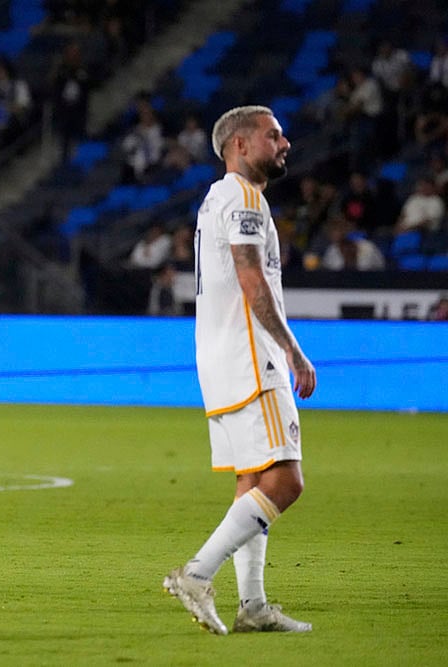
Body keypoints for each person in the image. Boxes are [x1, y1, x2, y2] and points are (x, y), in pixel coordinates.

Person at [164, 105, 317, 635]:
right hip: (253, 357)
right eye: (273, 135)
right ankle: (197, 574)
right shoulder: (246, 197)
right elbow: (252, 280)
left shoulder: (214, 199)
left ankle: (252, 606)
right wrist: (293, 351)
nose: (285, 143)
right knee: (286, 481)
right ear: (241, 146)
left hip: (216, 355)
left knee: (252, 479)